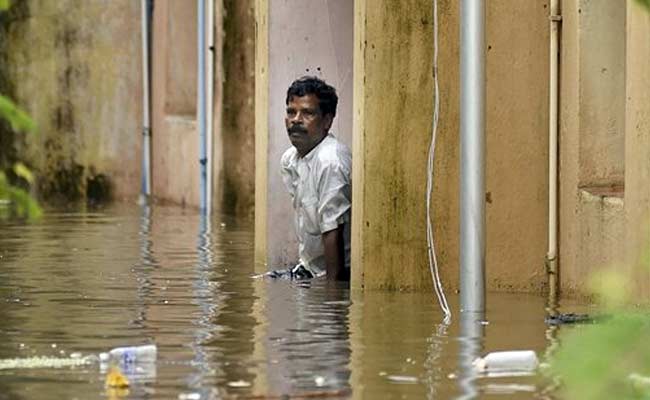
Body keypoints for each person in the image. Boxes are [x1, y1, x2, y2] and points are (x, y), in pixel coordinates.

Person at [276, 76, 352, 281]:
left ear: (327, 121)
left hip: (335, 274)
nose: (296, 120)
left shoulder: (330, 162)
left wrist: (330, 301)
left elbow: (332, 231)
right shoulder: (290, 160)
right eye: (291, 112)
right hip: (309, 270)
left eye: (307, 113)